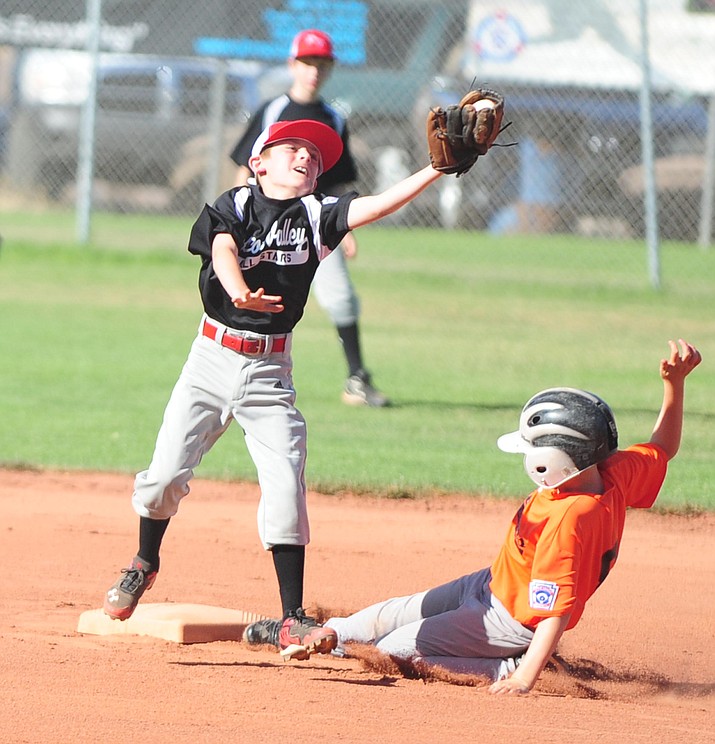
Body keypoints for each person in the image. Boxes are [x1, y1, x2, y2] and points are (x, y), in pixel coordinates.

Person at [103, 117, 446, 661]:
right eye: (292, 147)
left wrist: (436, 169)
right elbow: (221, 251)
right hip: (210, 360)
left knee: (286, 485)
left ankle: (290, 618)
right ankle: (145, 560)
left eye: (315, 153)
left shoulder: (317, 215)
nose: (306, 156)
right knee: (164, 475)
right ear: (259, 162)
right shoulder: (234, 204)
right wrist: (239, 293)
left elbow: (377, 205)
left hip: (270, 374)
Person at [299, 339, 701, 691]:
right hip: (494, 584)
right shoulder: (609, 472)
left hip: (513, 621)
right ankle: (336, 634)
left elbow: (554, 613)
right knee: (398, 611)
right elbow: (662, 448)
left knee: (396, 650)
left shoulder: (570, 519)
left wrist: (524, 676)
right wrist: (674, 385)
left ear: (554, 461)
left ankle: (503, 665)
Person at [230, 28, 389, 408]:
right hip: (264, 227)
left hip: (315, 225)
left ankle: (357, 378)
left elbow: (336, 182)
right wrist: (237, 217)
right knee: (249, 297)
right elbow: (245, 169)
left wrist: (345, 230)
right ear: (292, 64)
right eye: (306, 62)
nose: (313, 71)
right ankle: (236, 373)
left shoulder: (333, 118)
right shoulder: (272, 111)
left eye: (321, 64)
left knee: (342, 300)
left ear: (330, 68)